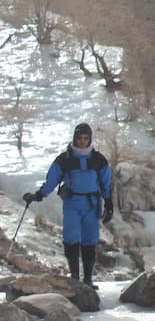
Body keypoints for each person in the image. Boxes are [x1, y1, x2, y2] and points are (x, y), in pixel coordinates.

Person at [23, 123, 112, 288]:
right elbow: (51, 180)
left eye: (85, 138)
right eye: (79, 138)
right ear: (74, 138)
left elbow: (106, 183)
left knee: (90, 240)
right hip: (72, 203)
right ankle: (75, 278)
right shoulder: (64, 160)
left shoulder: (98, 160)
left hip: (92, 204)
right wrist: (39, 195)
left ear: (90, 139)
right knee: (71, 238)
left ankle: (88, 280)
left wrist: (109, 203)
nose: (82, 141)